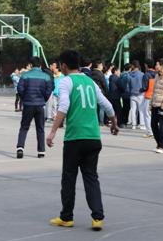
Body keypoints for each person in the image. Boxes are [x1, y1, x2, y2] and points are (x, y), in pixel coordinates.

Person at [47, 48, 118, 231]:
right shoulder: (90, 81)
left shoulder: (66, 81)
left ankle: (67, 217)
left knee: (69, 178)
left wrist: (53, 130)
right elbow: (107, 105)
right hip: (93, 137)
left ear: (63, 65)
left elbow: (64, 105)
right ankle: (97, 218)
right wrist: (114, 124)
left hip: (75, 138)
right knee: (91, 177)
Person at [16, 57, 54, 159]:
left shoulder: (25, 75)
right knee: (40, 128)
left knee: (24, 127)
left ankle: (20, 148)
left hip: (28, 104)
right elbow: (49, 90)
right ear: (40, 66)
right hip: (40, 105)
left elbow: (20, 89)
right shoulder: (46, 76)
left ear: (31, 65)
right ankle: (41, 151)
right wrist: (43, 100)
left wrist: (25, 98)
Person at [90, 60, 109, 126]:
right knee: (101, 108)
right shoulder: (100, 74)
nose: (102, 67)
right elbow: (104, 85)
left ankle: (95, 121)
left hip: (92, 92)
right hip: (100, 92)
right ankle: (101, 122)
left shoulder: (91, 73)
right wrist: (107, 94)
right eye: (101, 65)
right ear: (99, 66)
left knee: (95, 108)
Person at [127, 61, 144, 129]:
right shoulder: (142, 74)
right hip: (140, 94)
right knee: (141, 110)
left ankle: (133, 124)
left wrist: (129, 92)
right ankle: (142, 124)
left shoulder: (129, 75)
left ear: (133, 66)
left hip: (132, 94)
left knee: (133, 110)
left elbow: (128, 86)